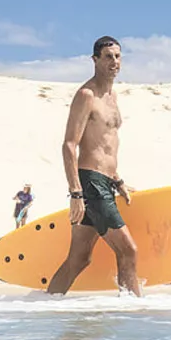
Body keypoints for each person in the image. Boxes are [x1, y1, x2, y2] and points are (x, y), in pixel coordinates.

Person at [46, 35, 142, 297]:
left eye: (118, 56)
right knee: (128, 251)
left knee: (79, 259)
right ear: (95, 60)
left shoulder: (111, 97)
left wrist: (118, 180)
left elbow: (105, 145)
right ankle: (132, 314)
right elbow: (69, 144)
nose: (115, 62)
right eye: (108, 56)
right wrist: (76, 193)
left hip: (104, 182)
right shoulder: (86, 95)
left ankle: (46, 307)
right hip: (90, 184)